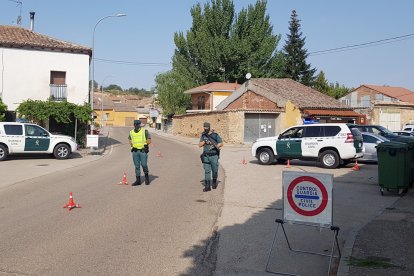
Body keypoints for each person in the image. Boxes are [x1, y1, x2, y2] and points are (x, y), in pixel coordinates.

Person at [199, 122, 223, 192]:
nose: (205, 129)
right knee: (207, 171)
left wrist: (216, 146)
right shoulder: (203, 135)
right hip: (206, 156)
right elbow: (199, 145)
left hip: (214, 156)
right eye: (204, 128)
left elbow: (221, 143)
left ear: (209, 127)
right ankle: (207, 186)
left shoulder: (215, 135)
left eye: (207, 128)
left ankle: (214, 181)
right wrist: (204, 141)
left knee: (215, 170)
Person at [129, 120, 151, 186]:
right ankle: (138, 180)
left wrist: (145, 144)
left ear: (140, 125)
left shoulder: (145, 131)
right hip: (135, 151)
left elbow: (149, 140)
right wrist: (132, 145)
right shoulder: (131, 132)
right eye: (135, 124)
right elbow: (130, 140)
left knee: (144, 164)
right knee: (137, 166)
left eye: (137, 124)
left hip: (142, 151)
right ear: (134, 125)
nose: (136, 125)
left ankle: (146, 176)